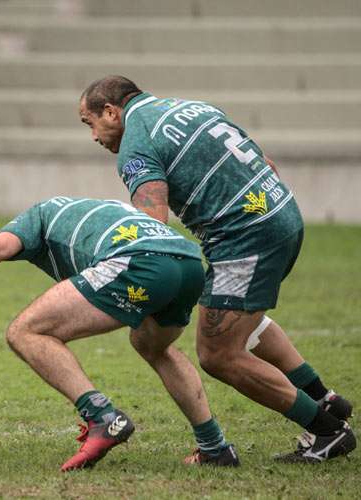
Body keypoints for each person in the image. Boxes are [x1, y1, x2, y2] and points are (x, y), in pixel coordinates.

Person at [78, 75, 355, 463]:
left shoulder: (137, 143)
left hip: (245, 239)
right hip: (282, 213)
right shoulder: (192, 107)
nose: (93, 136)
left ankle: (327, 431)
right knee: (243, 319)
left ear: (111, 111)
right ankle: (326, 399)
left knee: (217, 353)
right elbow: (266, 163)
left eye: (89, 123)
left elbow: (153, 222)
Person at [0, 196, 240, 470]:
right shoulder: (79, 212)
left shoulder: (38, 216)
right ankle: (214, 446)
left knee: (25, 331)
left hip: (140, 262)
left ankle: (102, 416)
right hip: (189, 264)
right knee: (153, 346)